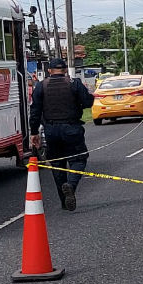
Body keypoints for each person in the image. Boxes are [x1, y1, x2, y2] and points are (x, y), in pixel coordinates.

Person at [29, 58, 95, 211]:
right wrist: (89, 96)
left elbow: (35, 112)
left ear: (50, 71)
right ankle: (70, 185)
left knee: (57, 163)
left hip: (51, 130)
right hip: (71, 127)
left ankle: (64, 201)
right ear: (65, 70)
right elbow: (87, 102)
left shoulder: (41, 86)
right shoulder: (74, 83)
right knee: (79, 159)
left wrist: (33, 133)